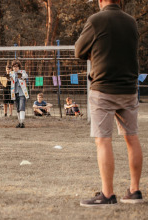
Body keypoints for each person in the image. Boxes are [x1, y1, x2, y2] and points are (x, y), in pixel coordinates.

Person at [75, 0, 143, 207]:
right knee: (132, 139)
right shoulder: (132, 22)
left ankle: (107, 194)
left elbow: (79, 51)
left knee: (103, 140)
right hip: (129, 88)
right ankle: (135, 190)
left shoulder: (96, 20)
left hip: (103, 88)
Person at [9, 59, 29, 128]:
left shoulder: (22, 72)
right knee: (17, 108)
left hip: (22, 92)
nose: (15, 68)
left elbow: (25, 76)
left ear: (19, 67)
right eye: (14, 67)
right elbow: (9, 79)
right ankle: (20, 122)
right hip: (15, 93)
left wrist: (22, 77)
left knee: (22, 107)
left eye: (17, 67)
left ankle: (22, 122)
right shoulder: (11, 73)